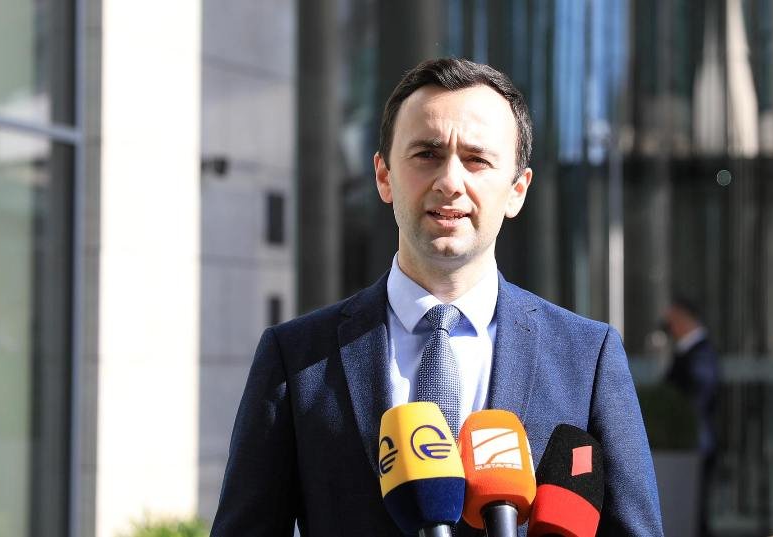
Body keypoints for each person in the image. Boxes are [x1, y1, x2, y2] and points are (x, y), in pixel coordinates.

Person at [211, 58, 663, 536]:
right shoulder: (296, 357)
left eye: (477, 159)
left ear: (517, 190)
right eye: (427, 153)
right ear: (384, 176)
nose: (450, 181)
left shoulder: (586, 357)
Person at [664, 298, 719, 537]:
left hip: (696, 443)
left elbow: (698, 397)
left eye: (672, 322)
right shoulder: (686, 352)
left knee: (695, 514)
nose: (669, 328)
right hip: (688, 444)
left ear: (684, 319)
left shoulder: (701, 353)